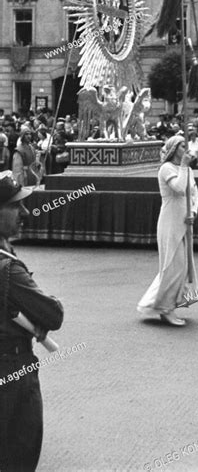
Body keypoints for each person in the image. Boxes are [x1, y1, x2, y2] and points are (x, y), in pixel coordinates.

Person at [0, 170, 64, 471]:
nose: (24, 212)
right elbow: (53, 314)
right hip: (12, 369)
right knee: (20, 452)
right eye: (15, 206)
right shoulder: (8, 269)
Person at [137, 136, 198, 327]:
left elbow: (194, 193)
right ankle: (166, 308)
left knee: (183, 267)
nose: (185, 148)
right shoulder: (166, 169)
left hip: (185, 222)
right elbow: (179, 189)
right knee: (173, 266)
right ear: (173, 149)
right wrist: (184, 166)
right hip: (169, 222)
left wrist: (193, 211)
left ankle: (160, 304)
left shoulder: (185, 169)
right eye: (182, 145)